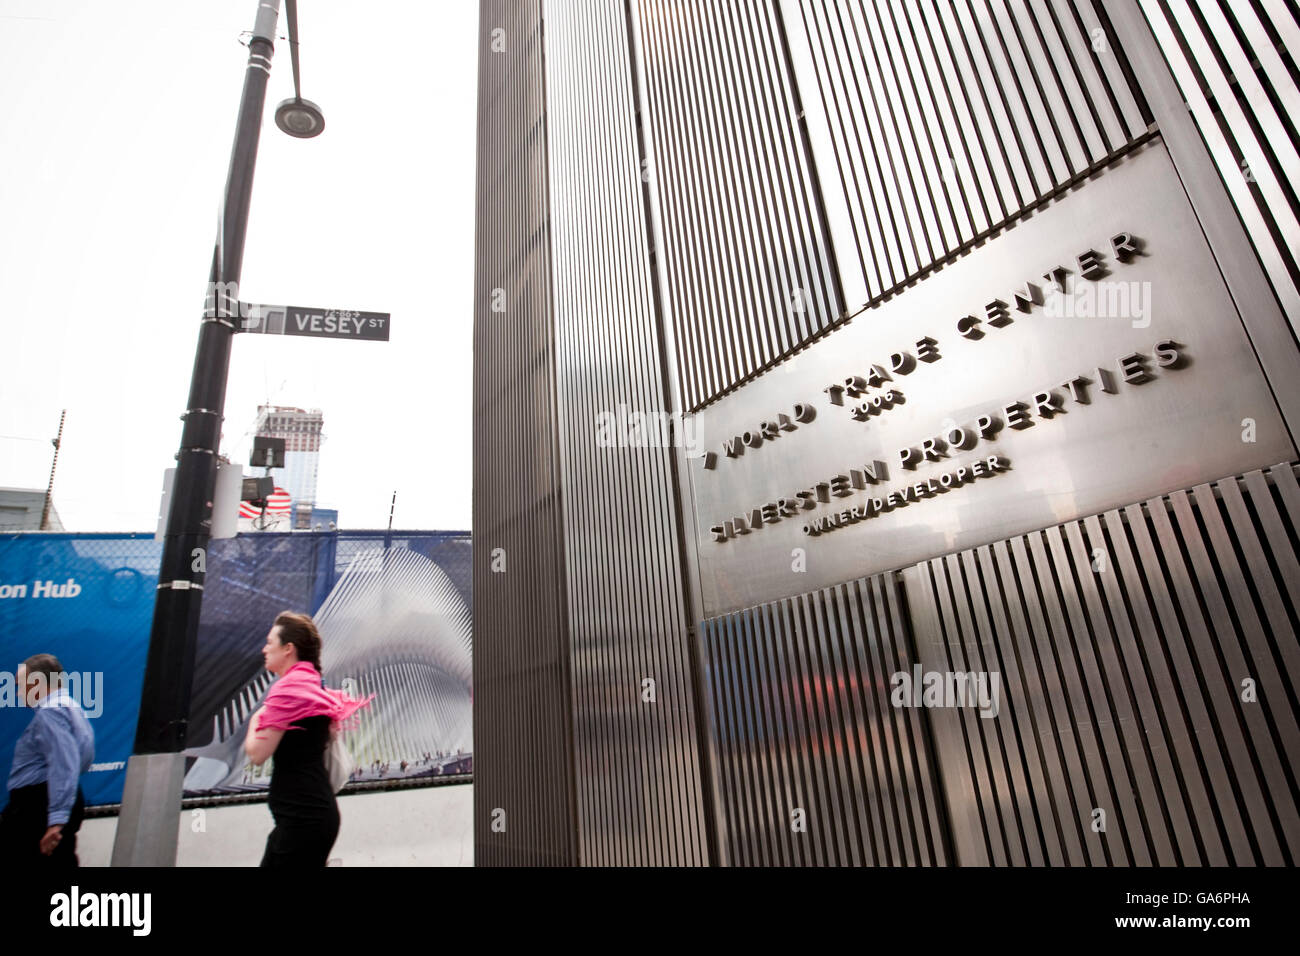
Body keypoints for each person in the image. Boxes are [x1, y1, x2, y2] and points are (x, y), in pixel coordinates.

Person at [244, 611, 371, 867]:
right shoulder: (314, 690)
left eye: (270, 642)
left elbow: (257, 754)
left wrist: (258, 718)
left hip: (301, 818)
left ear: (288, 649)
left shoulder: (288, 691)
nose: (264, 649)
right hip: (313, 815)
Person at [0, 654, 95, 867]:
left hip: (37, 805)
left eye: (20, 685)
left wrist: (56, 820)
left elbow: (64, 764)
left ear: (36, 683)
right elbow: (83, 756)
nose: (18, 693)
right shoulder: (70, 706)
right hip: (49, 800)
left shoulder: (51, 712)